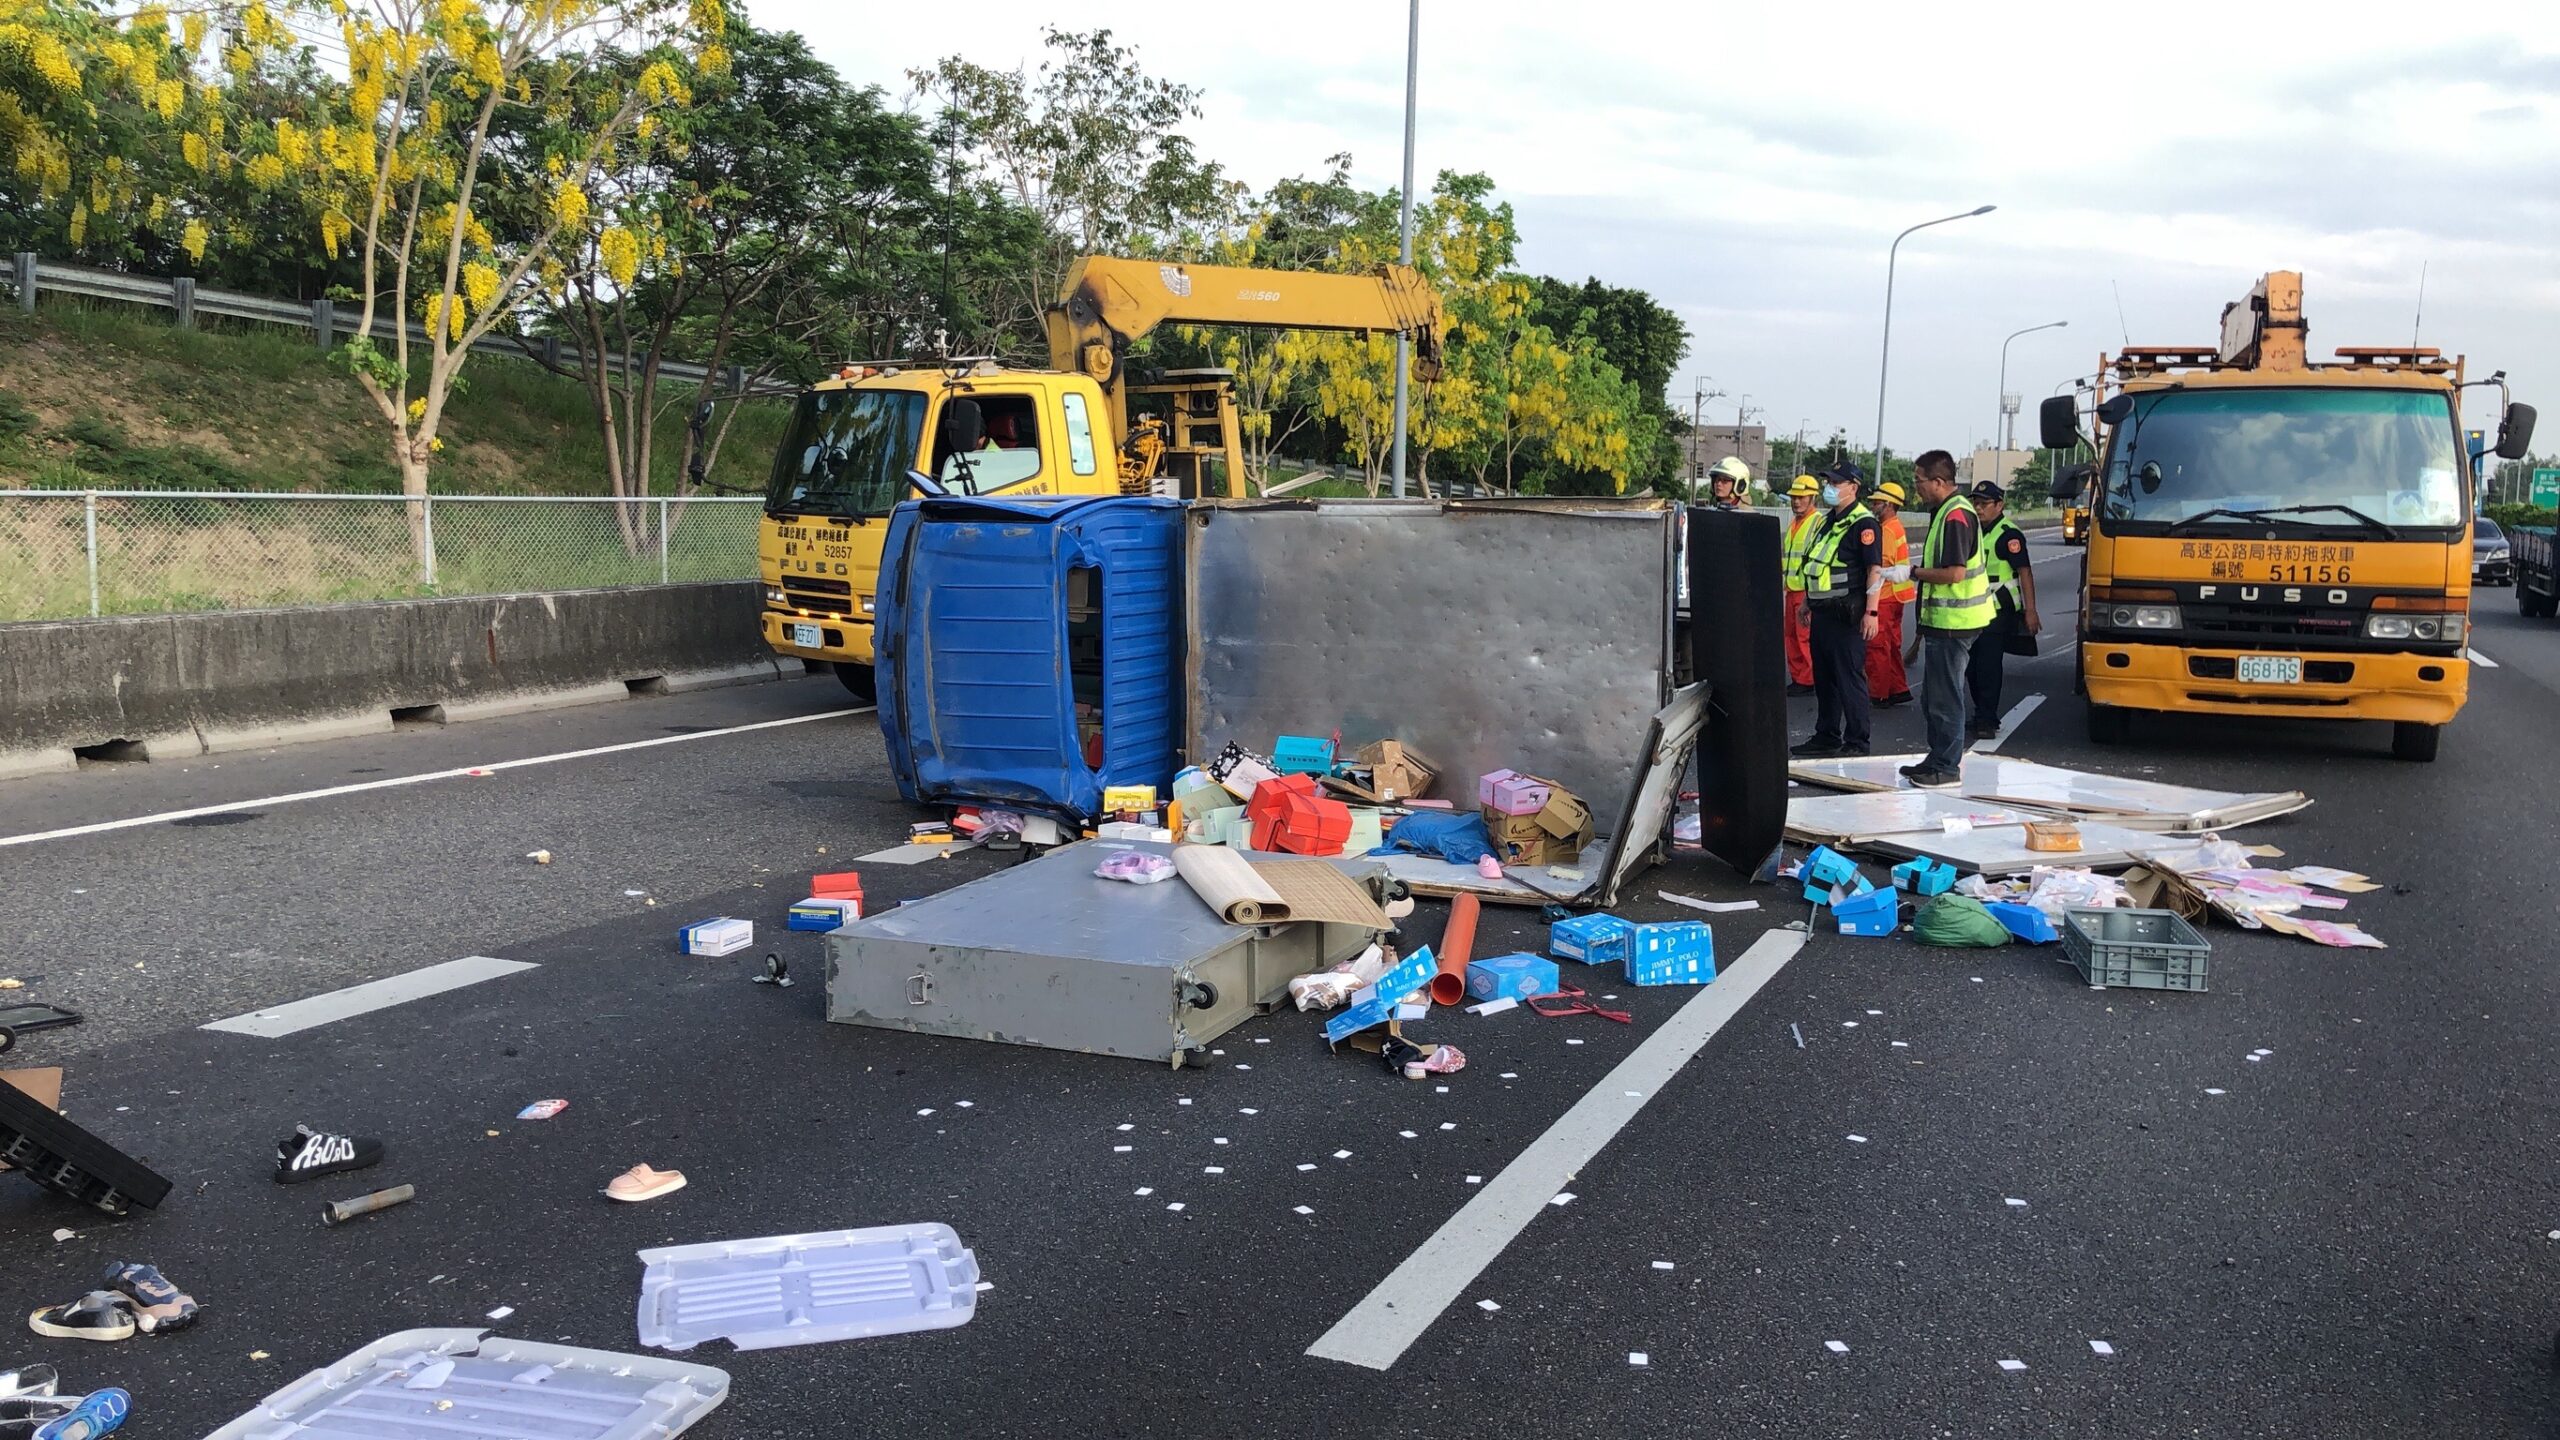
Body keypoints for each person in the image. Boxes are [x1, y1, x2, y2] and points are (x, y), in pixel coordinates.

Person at [1899, 451, 1990, 786]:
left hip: (1955, 622)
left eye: (1919, 481)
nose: (1916, 488)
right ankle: (1937, 758)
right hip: (1945, 621)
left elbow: (1954, 574)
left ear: (1938, 482)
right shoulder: (1945, 512)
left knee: (1945, 698)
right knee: (1934, 697)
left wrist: (1912, 572)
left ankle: (1947, 768)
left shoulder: (1955, 516)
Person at [1790, 461, 1882, 759]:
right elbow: (1819, 565)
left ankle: (1857, 741)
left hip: (1848, 615)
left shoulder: (1864, 524)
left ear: (1853, 488)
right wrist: (1808, 601)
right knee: (1825, 678)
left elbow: (1874, 569)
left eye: (1835, 483)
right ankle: (1826, 735)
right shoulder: (1829, 520)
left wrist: (1872, 612)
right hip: (1823, 612)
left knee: (1848, 678)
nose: (1830, 487)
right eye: (1828, 481)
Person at [1965, 480, 2040, 740]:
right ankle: (1980, 713)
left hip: (1998, 612)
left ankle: (1987, 718)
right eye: (1975, 503)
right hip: (1973, 610)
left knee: (1987, 667)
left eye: (1984, 504)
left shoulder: (2009, 535)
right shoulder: (1973, 531)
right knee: (1971, 667)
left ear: (1999, 505)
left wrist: (2031, 610)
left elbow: (2025, 572)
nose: (1978, 508)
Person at [1865, 479, 1916, 707]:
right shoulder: (1896, 526)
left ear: (1888, 504)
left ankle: (1879, 693)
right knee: (1891, 646)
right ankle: (1897, 688)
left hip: (1884, 596)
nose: (1873, 505)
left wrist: (1870, 605)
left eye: (1877, 502)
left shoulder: (1885, 531)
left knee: (1876, 647)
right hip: (1898, 596)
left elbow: (1879, 567)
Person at [1780, 474, 1819, 695]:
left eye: (1801, 497)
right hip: (1791, 589)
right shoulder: (1795, 523)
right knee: (1791, 636)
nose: (1796, 501)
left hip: (1806, 591)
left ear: (1812, 498)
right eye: (1794, 497)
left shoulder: (1817, 523)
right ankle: (1799, 677)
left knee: (1804, 636)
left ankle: (1809, 679)